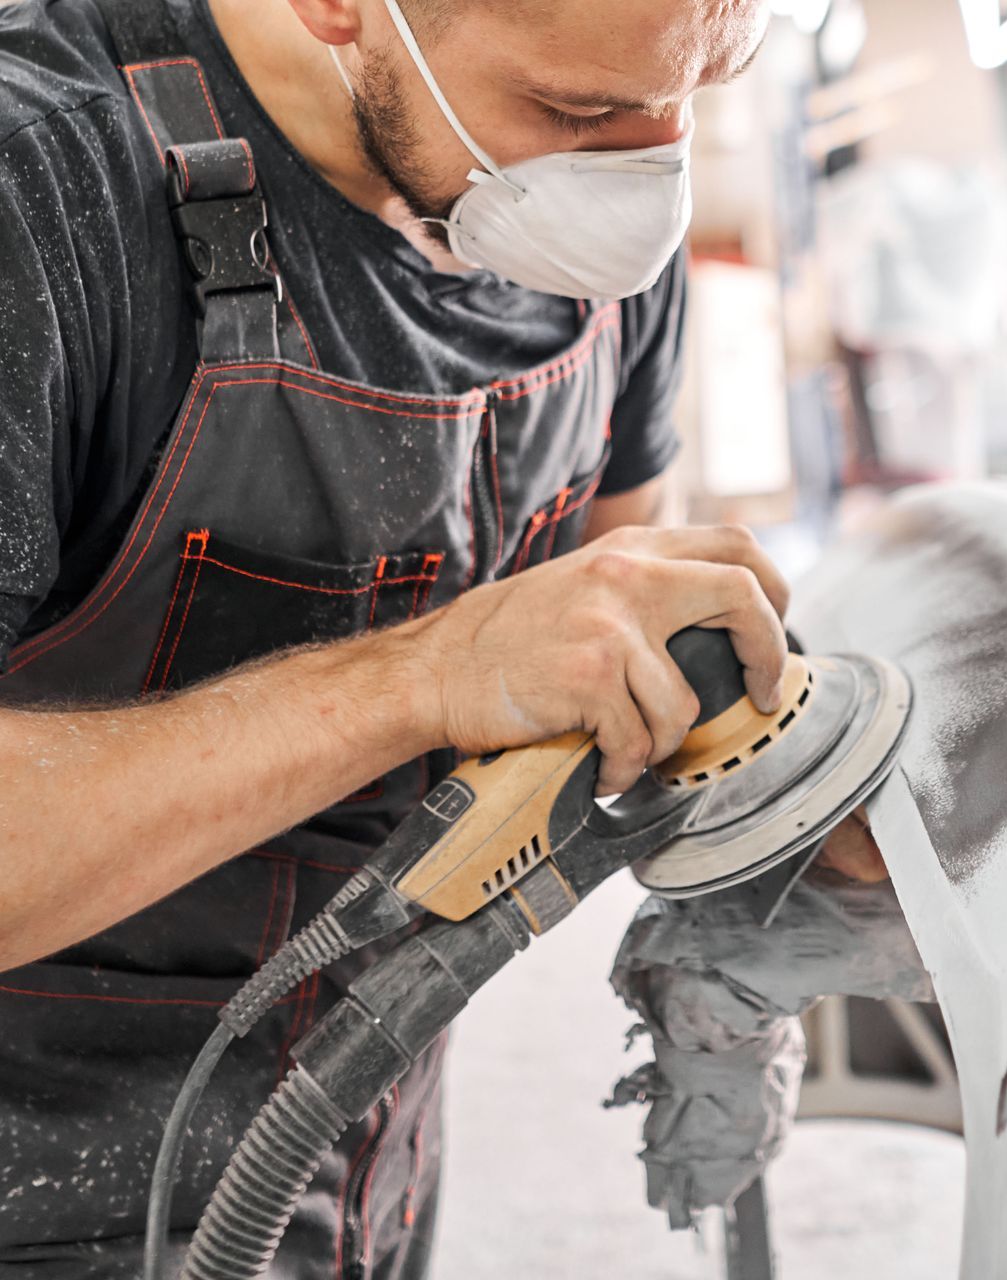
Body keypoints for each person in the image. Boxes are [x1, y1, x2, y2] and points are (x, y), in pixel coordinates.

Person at [0, 0, 821, 1269]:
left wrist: (769, 845)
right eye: (576, 112)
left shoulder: (590, 249)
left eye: (701, 87)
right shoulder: (41, 183)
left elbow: (631, 634)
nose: (646, 171)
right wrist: (429, 675)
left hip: (364, 1159)